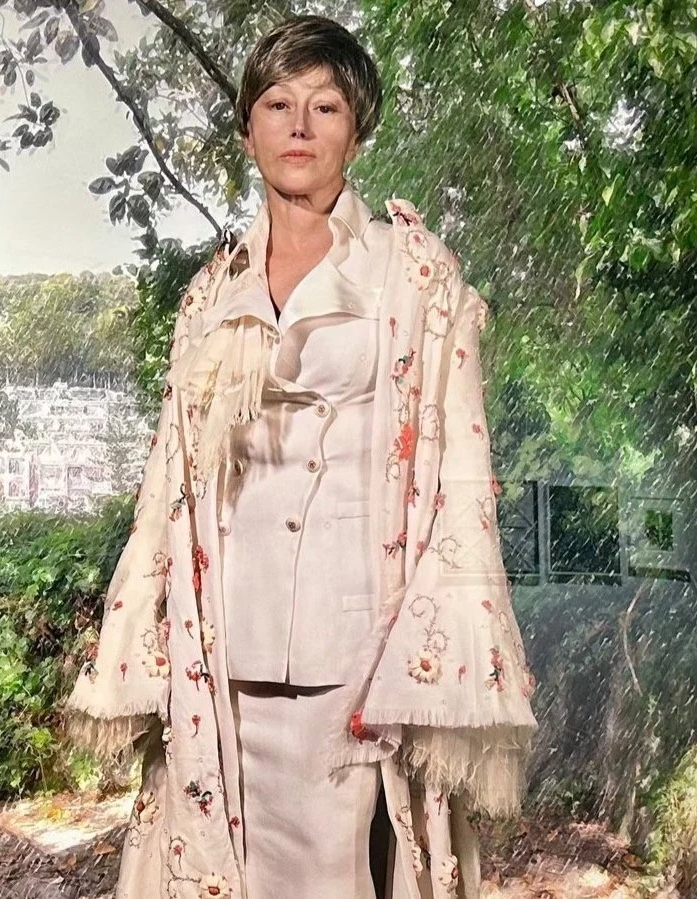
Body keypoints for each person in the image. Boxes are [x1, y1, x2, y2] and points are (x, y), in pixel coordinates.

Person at [60, 15, 538, 899]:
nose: (300, 126)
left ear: (356, 130)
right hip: (225, 642)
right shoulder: (212, 292)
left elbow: (462, 472)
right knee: (221, 866)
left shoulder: (413, 274)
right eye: (278, 105)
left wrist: (434, 646)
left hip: (356, 646)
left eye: (325, 106)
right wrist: (149, 628)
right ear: (248, 131)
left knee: (337, 876)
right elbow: (173, 475)